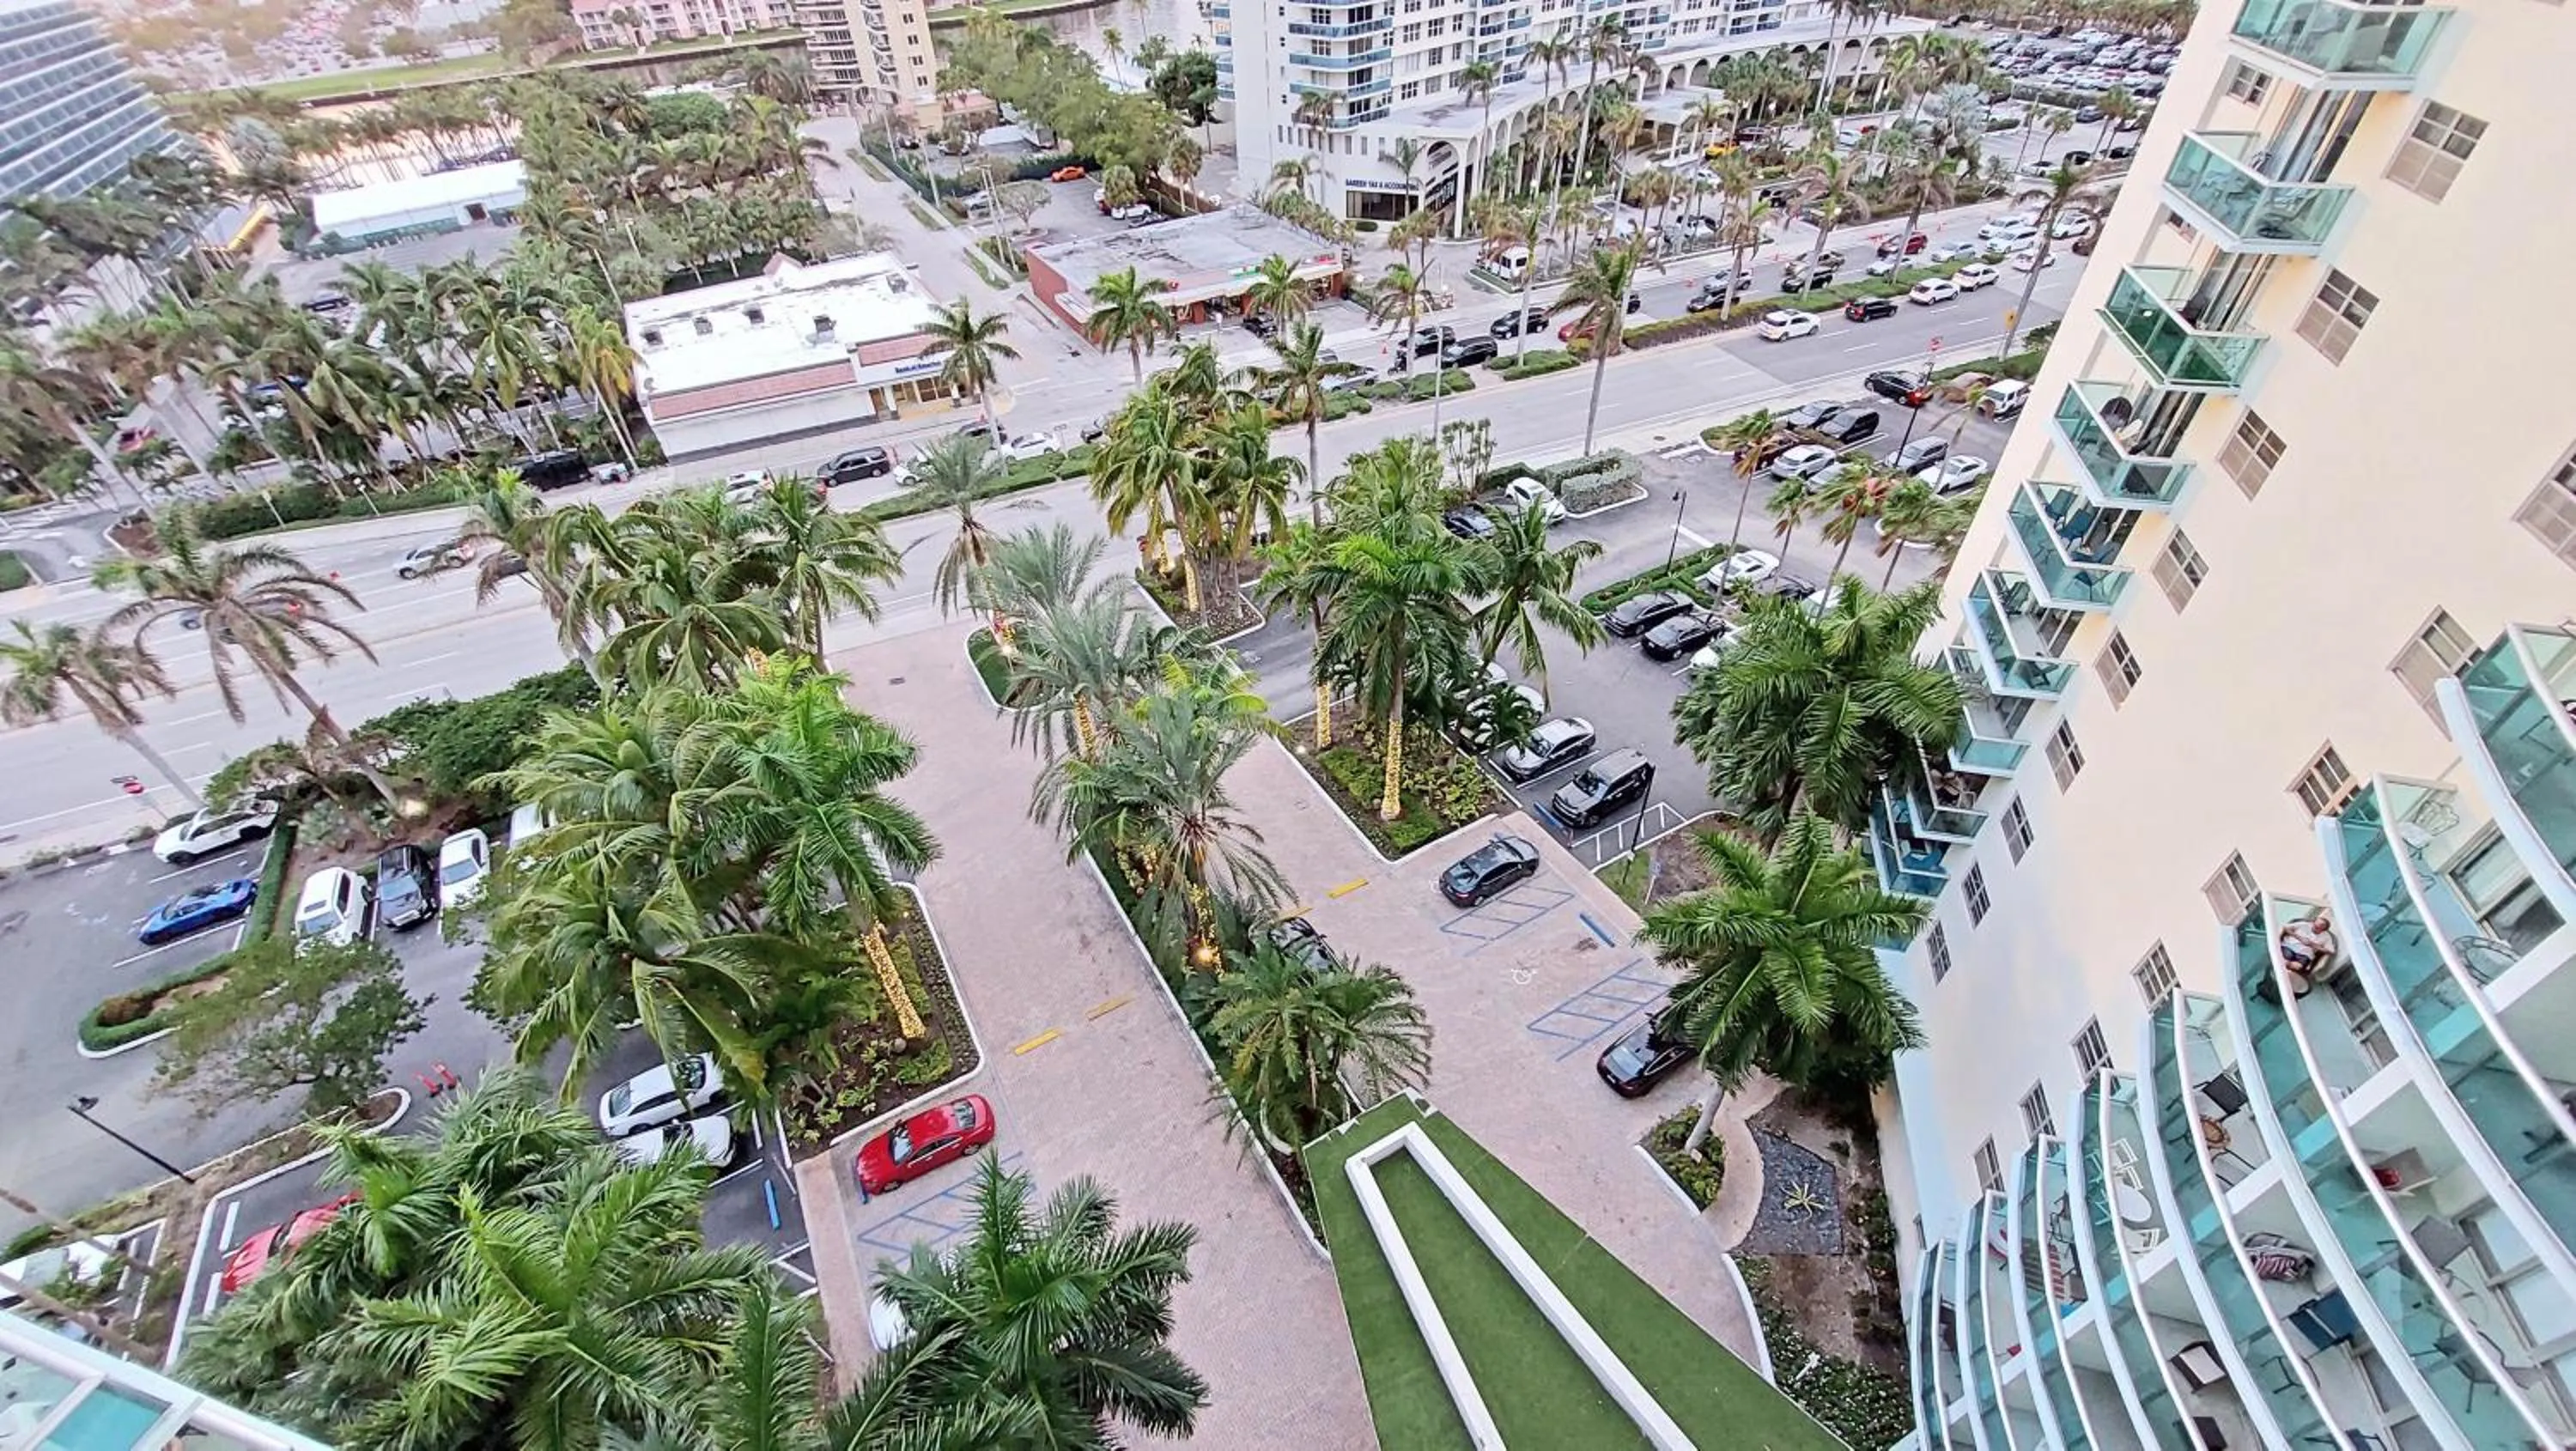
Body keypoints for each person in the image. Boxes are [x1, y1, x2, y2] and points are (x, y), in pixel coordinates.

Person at [2277, 909, 2338, 996]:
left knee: (2298, 967)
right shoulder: (2304, 925)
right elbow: (2285, 927)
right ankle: (2285, 967)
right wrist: (2299, 938)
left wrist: (2312, 944)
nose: (2315, 926)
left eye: (2319, 927)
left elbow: (2331, 951)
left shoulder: (2326, 937)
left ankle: (2285, 966)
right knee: (2286, 955)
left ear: (2324, 929)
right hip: (2291, 946)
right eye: (2315, 924)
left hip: (2305, 954)